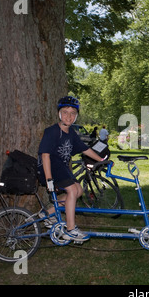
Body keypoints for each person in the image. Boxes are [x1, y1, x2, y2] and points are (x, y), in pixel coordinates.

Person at [38, 96, 106, 242]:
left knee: (78, 191)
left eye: (72, 113)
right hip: (49, 167)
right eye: (65, 112)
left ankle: (47, 213)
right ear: (59, 114)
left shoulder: (72, 133)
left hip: (61, 168)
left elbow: (85, 149)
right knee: (72, 190)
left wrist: (101, 160)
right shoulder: (52, 131)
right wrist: (49, 179)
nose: (69, 116)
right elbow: (45, 156)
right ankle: (70, 229)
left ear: (76, 116)